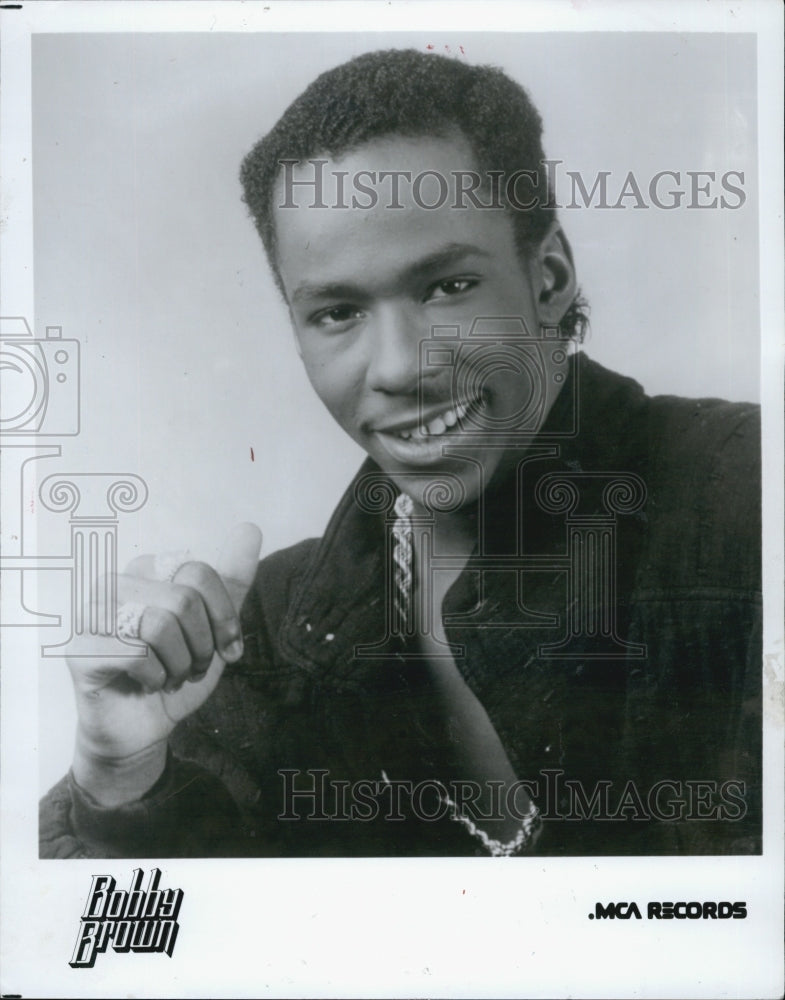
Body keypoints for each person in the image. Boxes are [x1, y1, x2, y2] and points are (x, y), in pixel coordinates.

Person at [39, 48, 761, 859]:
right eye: (337, 313)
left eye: (446, 287)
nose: (395, 367)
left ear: (549, 277)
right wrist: (121, 775)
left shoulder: (747, 500)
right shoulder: (265, 629)